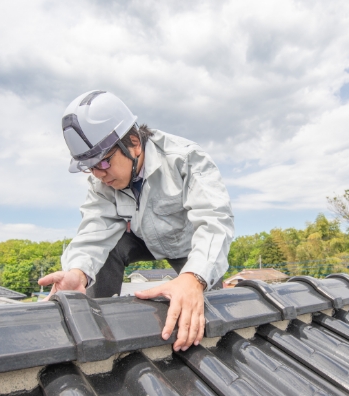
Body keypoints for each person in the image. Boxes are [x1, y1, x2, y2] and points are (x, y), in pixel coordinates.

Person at [38, 90, 234, 352]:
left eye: (104, 163)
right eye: (90, 167)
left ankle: (208, 332)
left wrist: (194, 278)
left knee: (205, 300)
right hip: (141, 239)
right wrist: (77, 272)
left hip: (187, 245)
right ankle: (96, 332)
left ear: (134, 142)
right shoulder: (101, 182)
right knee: (102, 254)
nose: (99, 174)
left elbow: (214, 220)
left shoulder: (185, 158)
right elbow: (95, 229)